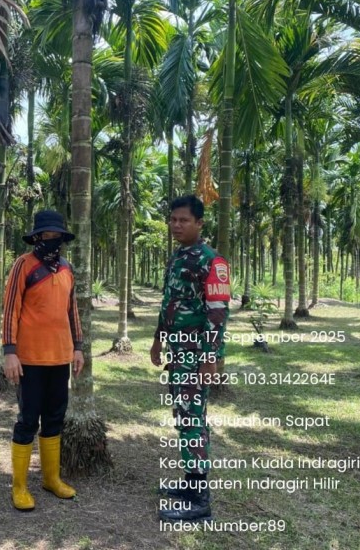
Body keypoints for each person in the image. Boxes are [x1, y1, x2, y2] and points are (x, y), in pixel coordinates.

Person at [150, 195, 230, 522]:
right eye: (173, 219)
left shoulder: (213, 262)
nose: (177, 225)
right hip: (178, 352)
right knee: (184, 416)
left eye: (184, 220)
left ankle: (199, 500)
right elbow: (169, 302)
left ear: (199, 223)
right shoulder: (178, 257)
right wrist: (158, 340)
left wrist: (210, 358)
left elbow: (217, 314)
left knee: (193, 418)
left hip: (197, 354)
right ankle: (190, 484)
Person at [2, 209, 85, 511]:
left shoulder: (66, 269)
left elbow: (71, 311)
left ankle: (51, 479)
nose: (53, 241)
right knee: (27, 420)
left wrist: (77, 347)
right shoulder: (23, 266)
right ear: (37, 237)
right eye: (47, 235)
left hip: (60, 358)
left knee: (55, 418)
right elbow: (10, 309)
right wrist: (10, 352)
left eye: (57, 236)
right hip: (29, 359)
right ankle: (20, 486)